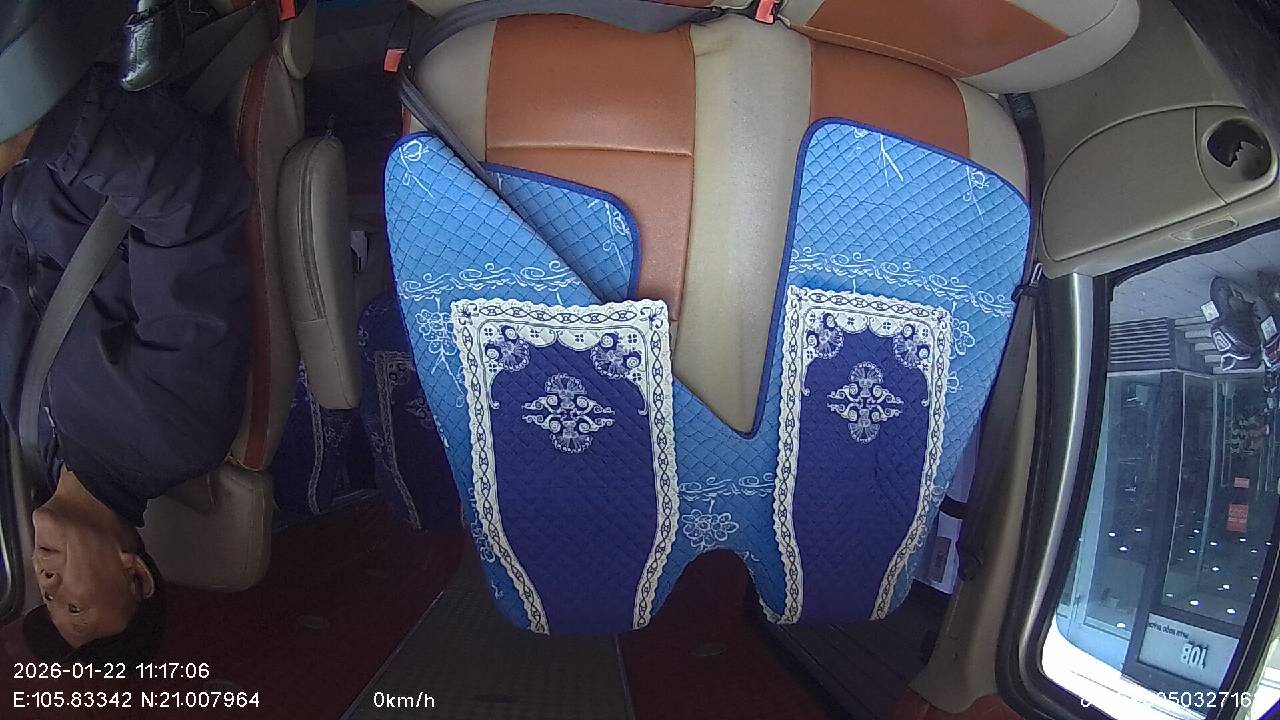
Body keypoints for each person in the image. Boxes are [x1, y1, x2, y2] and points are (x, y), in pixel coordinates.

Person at [0, 1, 251, 663]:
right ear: (134, 575)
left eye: (46, 599)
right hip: (88, 64)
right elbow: (192, 200)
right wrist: (37, 131)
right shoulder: (175, 432)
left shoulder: (31, 439)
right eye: (76, 605)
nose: (48, 584)